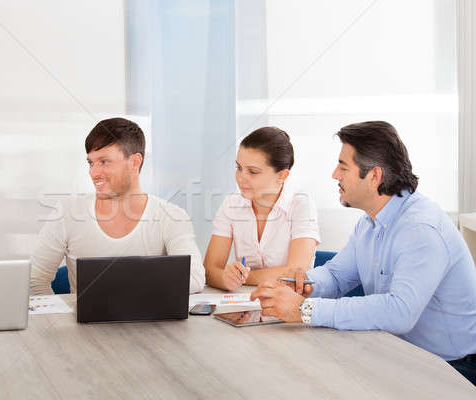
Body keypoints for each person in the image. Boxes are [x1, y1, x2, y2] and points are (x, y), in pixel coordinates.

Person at [251, 121, 476, 384]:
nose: (335, 175)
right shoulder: (369, 222)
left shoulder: (420, 229)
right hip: (399, 354)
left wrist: (305, 309)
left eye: (343, 167)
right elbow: (336, 276)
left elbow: (399, 312)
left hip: (451, 369)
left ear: (374, 176)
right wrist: (302, 286)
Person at [29, 117, 205, 294]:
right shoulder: (67, 212)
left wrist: (127, 288)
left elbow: (195, 279)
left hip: (149, 321)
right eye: (91, 163)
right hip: (82, 322)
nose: (94, 173)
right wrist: (60, 319)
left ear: (135, 162)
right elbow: (34, 281)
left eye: (104, 161)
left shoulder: (171, 217)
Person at [204, 127, 320, 291]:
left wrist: (243, 277)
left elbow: (294, 275)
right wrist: (225, 278)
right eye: (239, 168)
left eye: (253, 172)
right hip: (246, 306)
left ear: (282, 176)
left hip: (289, 306)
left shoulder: (301, 205)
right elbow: (209, 270)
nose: (241, 178)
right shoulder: (231, 204)